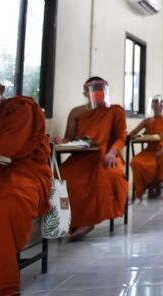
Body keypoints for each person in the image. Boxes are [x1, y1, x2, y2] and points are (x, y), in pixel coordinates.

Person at [0, 67, 51, 296]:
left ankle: (2, 285)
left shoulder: (21, 109)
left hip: (25, 173)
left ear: (1, 90)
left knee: (2, 207)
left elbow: (10, 147)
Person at [58, 76, 127, 241]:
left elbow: (121, 138)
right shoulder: (76, 112)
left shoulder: (115, 111)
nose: (98, 93)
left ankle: (88, 221)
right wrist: (61, 141)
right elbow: (69, 137)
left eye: (101, 89)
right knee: (62, 176)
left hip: (107, 155)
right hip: (82, 157)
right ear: (85, 93)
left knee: (106, 176)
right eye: (94, 90)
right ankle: (71, 221)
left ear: (106, 91)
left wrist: (112, 153)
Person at [128, 95, 163, 200]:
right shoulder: (148, 121)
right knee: (136, 161)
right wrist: (143, 124)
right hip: (149, 151)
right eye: (154, 103)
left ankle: (158, 183)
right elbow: (133, 134)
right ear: (151, 106)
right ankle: (147, 187)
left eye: (160, 103)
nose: (157, 105)